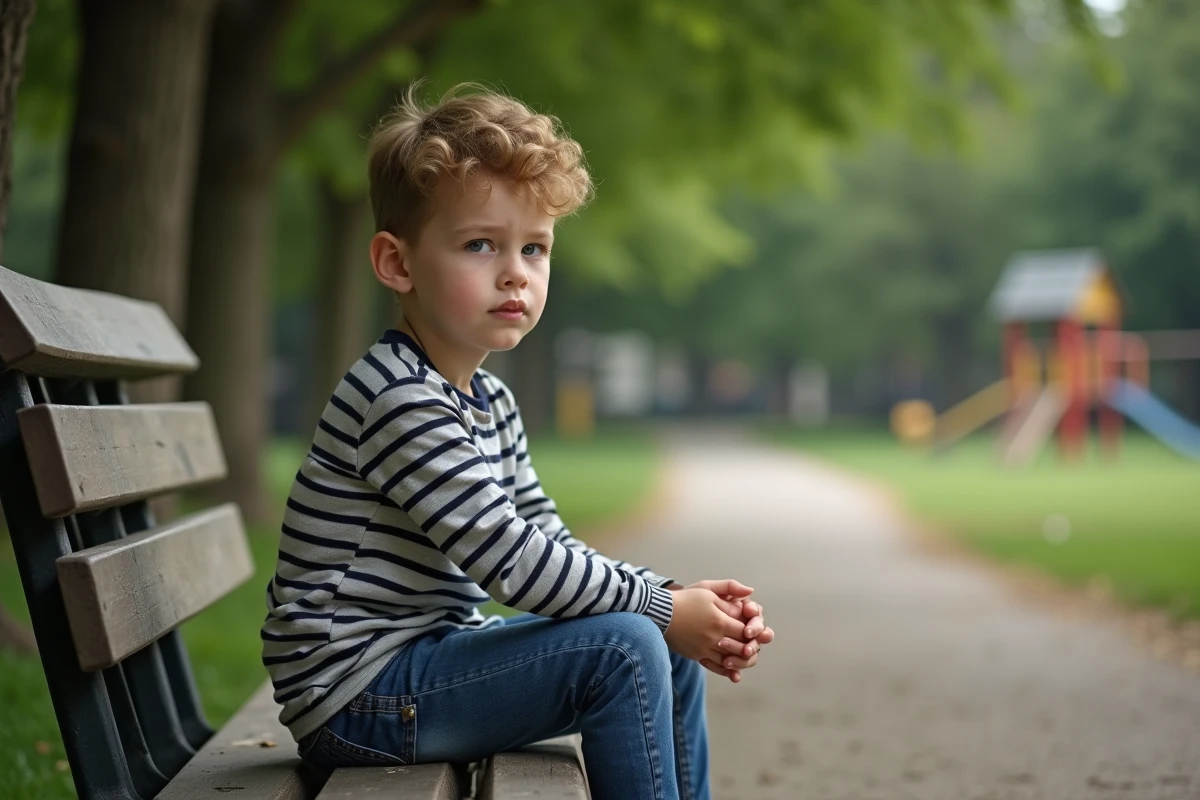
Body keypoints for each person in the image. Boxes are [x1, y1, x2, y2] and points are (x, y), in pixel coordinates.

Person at [261, 84, 774, 800]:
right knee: (627, 647)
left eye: (534, 248)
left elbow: (546, 534)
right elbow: (514, 563)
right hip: (357, 701)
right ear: (397, 263)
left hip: (415, 671)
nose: (515, 272)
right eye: (480, 245)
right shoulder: (398, 398)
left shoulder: (488, 400)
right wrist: (660, 608)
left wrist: (671, 599)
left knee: (647, 636)